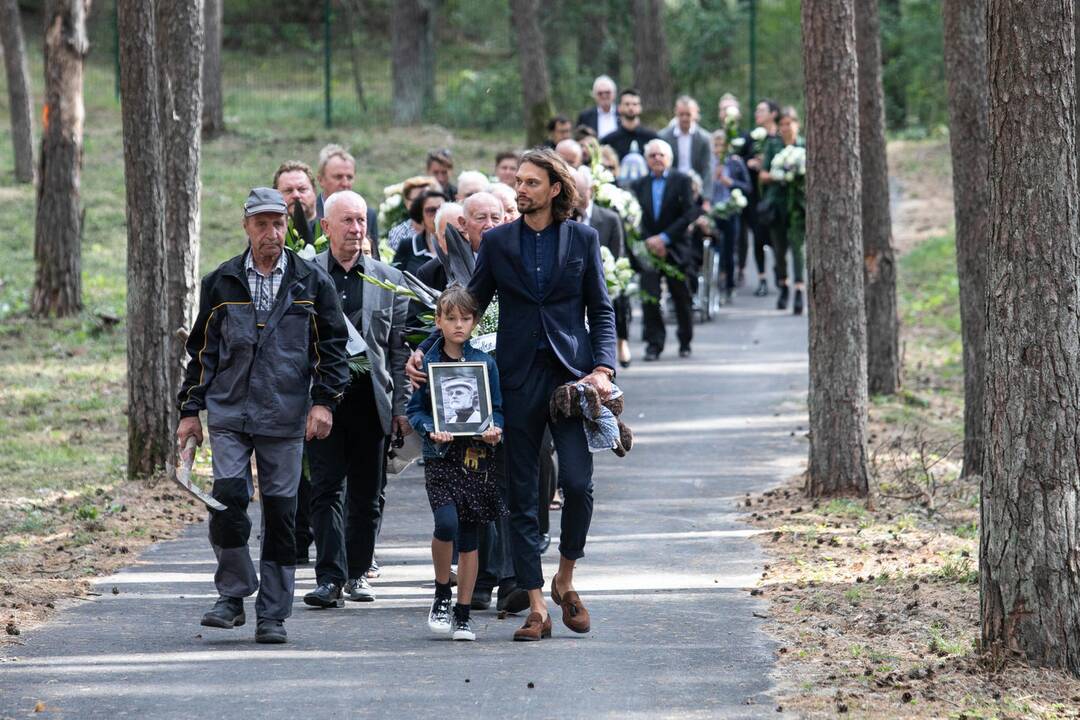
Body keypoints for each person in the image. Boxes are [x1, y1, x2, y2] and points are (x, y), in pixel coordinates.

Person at [406, 148, 616, 642]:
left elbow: (601, 310)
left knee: (579, 486)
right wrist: (426, 351)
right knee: (520, 492)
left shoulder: (583, 240)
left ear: (555, 189)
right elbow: (469, 306)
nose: (520, 190)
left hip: (571, 380)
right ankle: (537, 605)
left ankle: (565, 577)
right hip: (515, 381)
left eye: (530, 183)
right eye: (517, 182)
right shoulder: (498, 243)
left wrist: (603, 368)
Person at [176, 187, 349, 644]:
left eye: (278, 223)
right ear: (246, 226)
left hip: (286, 414)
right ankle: (233, 596)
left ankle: (273, 613)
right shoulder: (222, 281)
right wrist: (190, 409)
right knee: (227, 501)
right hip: (230, 411)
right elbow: (201, 352)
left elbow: (332, 351)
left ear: (288, 224)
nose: (271, 233)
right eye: (261, 224)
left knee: (282, 515)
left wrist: (323, 402)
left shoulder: (310, 281)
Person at [301, 190, 413, 609]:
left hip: (372, 401)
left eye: (362, 220)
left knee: (368, 492)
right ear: (325, 228)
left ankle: (358, 572)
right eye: (346, 221)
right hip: (322, 399)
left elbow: (399, 352)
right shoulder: (307, 274)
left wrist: (401, 409)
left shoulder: (388, 279)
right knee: (326, 487)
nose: (356, 229)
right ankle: (329, 578)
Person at [407, 286, 505, 641]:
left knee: (469, 535)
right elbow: (414, 409)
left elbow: (496, 408)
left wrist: (495, 430)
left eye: (465, 318)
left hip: (476, 459)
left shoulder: (485, 363)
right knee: (445, 523)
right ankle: (441, 593)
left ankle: (463, 613)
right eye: (451, 318)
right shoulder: (427, 362)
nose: (459, 325)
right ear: (439, 321)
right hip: (441, 458)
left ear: (475, 322)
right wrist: (430, 429)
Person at [632, 139, 701, 361]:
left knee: (681, 296)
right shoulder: (639, 185)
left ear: (669, 158)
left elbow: (689, 214)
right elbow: (635, 218)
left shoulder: (682, 181)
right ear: (646, 159)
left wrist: (665, 238)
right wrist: (650, 241)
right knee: (650, 297)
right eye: (652, 155)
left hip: (676, 246)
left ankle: (685, 341)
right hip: (649, 248)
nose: (657, 159)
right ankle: (654, 344)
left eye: (661, 155)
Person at [574, 166, 630, 367]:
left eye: (580, 194)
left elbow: (618, 253)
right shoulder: (566, 218)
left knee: (616, 294)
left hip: (605, 272)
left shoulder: (609, 218)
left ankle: (621, 340)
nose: (576, 200)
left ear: (591, 190)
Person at [764, 108, 806, 315]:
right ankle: (784, 285)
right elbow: (763, 175)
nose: (786, 128)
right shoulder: (773, 146)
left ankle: (799, 289)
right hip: (778, 204)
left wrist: (797, 174)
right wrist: (779, 175)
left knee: (798, 247)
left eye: (789, 123)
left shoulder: (804, 145)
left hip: (798, 204)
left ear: (796, 125)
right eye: (782, 124)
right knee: (779, 249)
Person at [739, 100, 781, 297]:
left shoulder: (780, 136)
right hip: (755, 197)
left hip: (775, 196)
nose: (757, 113)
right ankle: (762, 278)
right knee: (757, 238)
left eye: (761, 110)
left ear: (773, 114)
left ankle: (780, 273)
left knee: (777, 239)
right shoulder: (751, 138)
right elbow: (741, 161)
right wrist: (751, 163)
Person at [707, 130, 751, 303]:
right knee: (715, 249)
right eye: (716, 145)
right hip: (713, 211)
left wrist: (730, 183)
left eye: (722, 145)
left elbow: (747, 187)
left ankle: (730, 285)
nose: (719, 149)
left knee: (730, 249)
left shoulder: (735, 163)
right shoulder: (708, 164)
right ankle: (716, 283)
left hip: (730, 211)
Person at [315, 144, 379, 239]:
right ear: (321, 180)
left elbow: (373, 252)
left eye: (349, 177)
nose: (345, 183)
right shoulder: (310, 214)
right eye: (338, 177)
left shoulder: (368, 215)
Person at [659, 96, 714, 200]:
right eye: (681, 114)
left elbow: (707, 168)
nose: (684, 118)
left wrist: (706, 198)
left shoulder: (704, 139)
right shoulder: (664, 136)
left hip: (697, 190)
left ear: (695, 114)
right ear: (676, 113)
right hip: (671, 188)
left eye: (688, 114)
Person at [393, 189, 447, 277]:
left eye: (442, 209)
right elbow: (395, 278)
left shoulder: (457, 243)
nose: (437, 214)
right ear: (420, 215)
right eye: (431, 210)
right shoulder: (407, 245)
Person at [599, 89, 659, 162]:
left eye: (635, 104)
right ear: (619, 108)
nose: (631, 108)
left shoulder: (652, 139)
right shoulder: (608, 141)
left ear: (640, 108)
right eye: (627, 104)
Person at [387, 176, 441, 252]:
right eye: (418, 200)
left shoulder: (444, 228)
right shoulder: (399, 234)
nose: (423, 204)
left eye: (427, 198)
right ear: (407, 203)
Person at [273, 161, 319, 239]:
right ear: (275, 195)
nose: (296, 195)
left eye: (302, 189)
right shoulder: (271, 236)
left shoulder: (332, 229)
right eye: (288, 190)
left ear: (314, 191)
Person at [577, 75, 619, 139]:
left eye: (607, 92)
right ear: (594, 95)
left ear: (614, 94)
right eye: (600, 93)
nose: (604, 96)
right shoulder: (585, 116)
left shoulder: (622, 114)